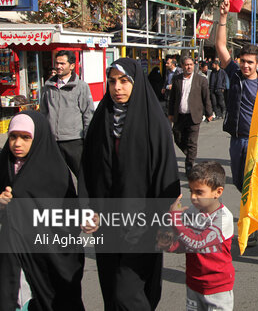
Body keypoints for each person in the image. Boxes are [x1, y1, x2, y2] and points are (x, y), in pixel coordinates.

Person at [79, 58, 181, 310]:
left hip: (142, 223)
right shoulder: (101, 118)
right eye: (113, 81)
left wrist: (165, 221)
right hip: (107, 221)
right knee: (112, 289)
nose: (117, 87)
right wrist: (87, 209)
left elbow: (165, 173)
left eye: (124, 81)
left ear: (136, 84)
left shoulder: (153, 121)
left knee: (129, 289)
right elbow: (88, 170)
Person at [0, 111, 85, 311]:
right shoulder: (4, 165)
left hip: (47, 256)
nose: (17, 143)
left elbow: (68, 218)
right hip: (13, 254)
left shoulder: (53, 171)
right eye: (13, 136)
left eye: (25, 137)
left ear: (37, 138)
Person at [216, 0, 258, 246]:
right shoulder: (234, 73)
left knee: (250, 186)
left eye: (250, 63)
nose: (245, 65)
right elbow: (221, 45)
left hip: (256, 142)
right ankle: (253, 203)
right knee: (239, 182)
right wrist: (223, 17)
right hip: (236, 140)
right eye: (242, 61)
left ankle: (252, 229)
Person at [159, 161, 235, 311]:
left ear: (218, 192)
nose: (193, 197)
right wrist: (169, 244)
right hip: (194, 283)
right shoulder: (191, 212)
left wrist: (176, 220)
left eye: (199, 192)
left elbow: (198, 243)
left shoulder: (223, 217)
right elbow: (185, 243)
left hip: (218, 287)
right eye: (191, 191)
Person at [39, 50, 94, 175]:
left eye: (62, 63)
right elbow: (43, 112)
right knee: (56, 176)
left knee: (83, 175)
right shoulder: (48, 86)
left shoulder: (81, 86)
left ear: (72, 66)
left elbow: (88, 114)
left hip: (74, 140)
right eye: (57, 63)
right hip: (53, 141)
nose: (58, 66)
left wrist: (88, 139)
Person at [169, 56, 214, 175]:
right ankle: (190, 154)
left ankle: (189, 164)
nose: (189, 67)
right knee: (177, 137)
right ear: (182, 66)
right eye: (186, 65)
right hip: (180, 115)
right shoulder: (177, 79)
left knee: (192, 142)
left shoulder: (201, 80)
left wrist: (209, 113)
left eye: (191, 64)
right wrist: (170, 113)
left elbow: (206, 98)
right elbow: (172, 98)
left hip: (194, 115)